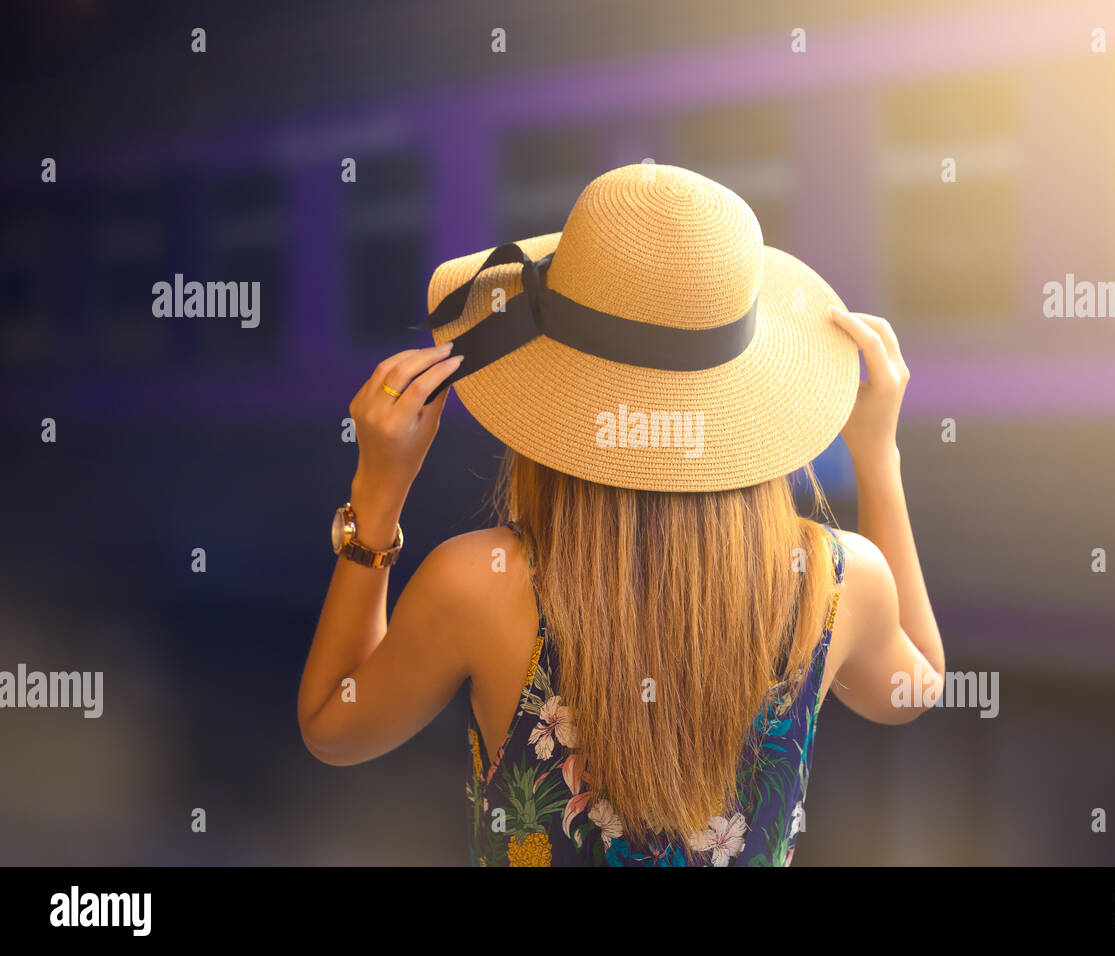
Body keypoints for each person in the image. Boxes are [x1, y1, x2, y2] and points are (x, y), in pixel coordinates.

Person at [297, 164, 944, 866]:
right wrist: (880, 457)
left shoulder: (475, 583)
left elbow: (334, 727)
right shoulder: (841, 577)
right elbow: (913, 687)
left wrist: (379, 489)